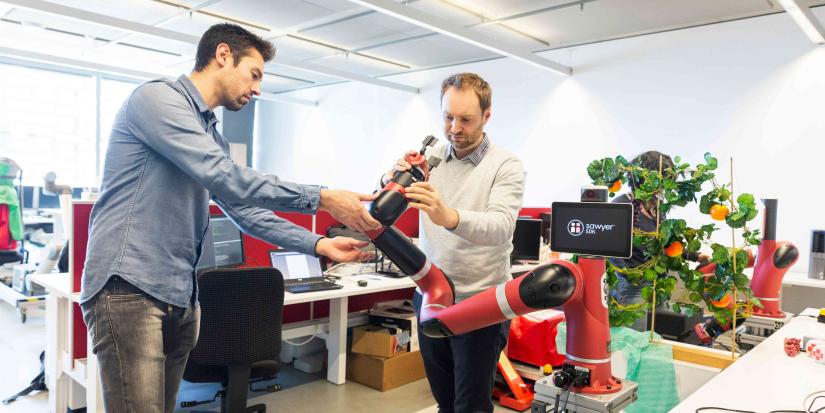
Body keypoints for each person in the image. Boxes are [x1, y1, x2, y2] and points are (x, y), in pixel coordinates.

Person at [80, 23, 380, 413]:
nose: (257, 89)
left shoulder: (211, 137)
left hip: (180, 294)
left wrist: (320, 243)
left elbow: (247, 213)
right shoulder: (156, 100)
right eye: (254, 74)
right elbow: (226, 177)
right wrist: (321, 198)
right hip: (129, 286)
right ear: (223, 55)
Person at [383, 73, 524, 413]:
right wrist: (391, 181)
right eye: (448, 117)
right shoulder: (430, 160)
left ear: (486, 116)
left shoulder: (506, 165)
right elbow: (385, 207)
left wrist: (449, 216)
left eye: (466, 120)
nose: (454, 128)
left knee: (470, 406)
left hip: (481, 304)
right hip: (430, 297)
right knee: (444, 401)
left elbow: (501, 227)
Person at [610, 150, 708, 330]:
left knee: (656, 336)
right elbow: (609, 250)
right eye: (662, 179)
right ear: (644, 176)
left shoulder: (657, 206)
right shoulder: (622, 205)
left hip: (658, 283)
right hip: (633, 287)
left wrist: (695, 256)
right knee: (635, 339)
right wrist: (629, 275)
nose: (664, 186)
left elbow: (664, 245)